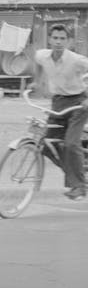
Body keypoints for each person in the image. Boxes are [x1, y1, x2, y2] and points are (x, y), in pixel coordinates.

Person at [32, 23, 88, 200]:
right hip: (58, 102)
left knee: (71, 143)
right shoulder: (43, 55)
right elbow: (37, 63)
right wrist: (37, 81)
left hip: (79, 103)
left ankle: (79, 186)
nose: (58, 42)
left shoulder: (76, 59)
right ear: (49, 39)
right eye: (55, 38)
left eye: (62, 39)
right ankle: (75, 175)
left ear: (69, 41)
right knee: (46, 144)